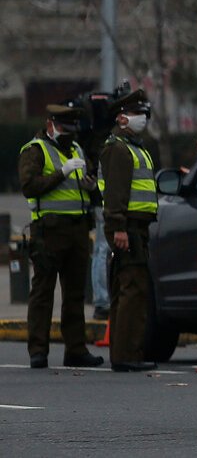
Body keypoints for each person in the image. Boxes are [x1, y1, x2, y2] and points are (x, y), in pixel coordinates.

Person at [18, 102, 104, 369]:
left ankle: (76, 349)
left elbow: (89, 188)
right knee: (43, 291)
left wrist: (91, 188)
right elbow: (30, 186)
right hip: (48, 231)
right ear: (50, 125)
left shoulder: (77, 148)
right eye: (64, 128)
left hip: (77, 230)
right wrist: (62, 172)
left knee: (76, 293)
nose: (68, 134)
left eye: (71, 129)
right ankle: (38, 350)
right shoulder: (35, 150)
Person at [98, 89, 158, 372]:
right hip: (128, 227)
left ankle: (128, 352)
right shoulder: (118, 148)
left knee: (133, 290)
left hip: (136, 227)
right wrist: (118, 227)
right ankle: (125, 355)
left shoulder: (133, 147)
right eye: (137, 114)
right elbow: (115, 194)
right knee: (131, 290)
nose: (142, 119)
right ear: (122, 118)